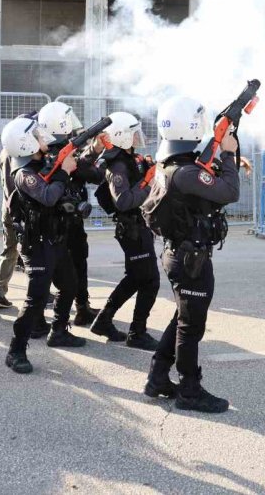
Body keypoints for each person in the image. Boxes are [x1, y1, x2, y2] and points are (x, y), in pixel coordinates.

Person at [141, 96, 240, 414]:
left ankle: (158, 376)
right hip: (190, 259)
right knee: (191, 326)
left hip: (180, 254)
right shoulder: (183, 172)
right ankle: (189, 389)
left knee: (183, 318)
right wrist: (228, 153)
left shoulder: (172, 165)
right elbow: (229, 192)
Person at [1, 114, 86, 374]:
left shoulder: (42, 165)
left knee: (70, 284)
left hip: (55, 238)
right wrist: (63, 172)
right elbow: (48, 197)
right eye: (36, 136)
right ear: (26, 144)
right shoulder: (24, 174)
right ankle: (16, 351)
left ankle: (59, 330)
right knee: (35, 299)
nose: (42, 138)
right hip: (37, 245)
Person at [89, 112, 161, 350]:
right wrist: (148, 185)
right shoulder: (117, 164)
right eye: (133, 133)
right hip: (131, 228)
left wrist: (146, 169)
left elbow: (136, 179)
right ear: (121, 137)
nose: (138, 137)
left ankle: (104, 320)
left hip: (138, 226)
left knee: (136, 277)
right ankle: (137, 333)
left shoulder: (128, 158)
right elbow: (123, 200)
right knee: (149, 280)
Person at [37, 102, 100, 326]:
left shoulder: (41, 152)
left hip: (58, 220)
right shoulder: (59, 155)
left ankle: (75, 309)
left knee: (54, 270)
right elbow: (93, 174)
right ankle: (77, 309)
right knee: (71, 269)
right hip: (65, 222)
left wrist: (93, 151)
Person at [0, 145, 19, 309]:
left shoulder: (6, 149)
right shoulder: (14, 151)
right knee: (31, 251)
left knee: (11, 250)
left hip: (8, 207)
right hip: (17, 208)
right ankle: (39, 290)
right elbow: (11, 184)